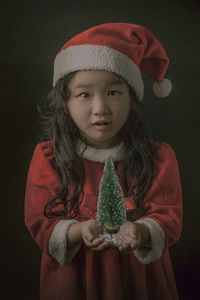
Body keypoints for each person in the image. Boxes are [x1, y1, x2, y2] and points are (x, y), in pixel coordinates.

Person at [25, 23, 182, 300]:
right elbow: (40, 221)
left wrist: (141, 231)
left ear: (131, 97)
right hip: (73, 282)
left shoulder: (159, 157)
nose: (100, 109)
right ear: (65, 102)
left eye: (113, 92)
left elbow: (169, 218)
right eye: (84, 94)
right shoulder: (49, 158)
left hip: (140, 282)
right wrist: (78, 230)